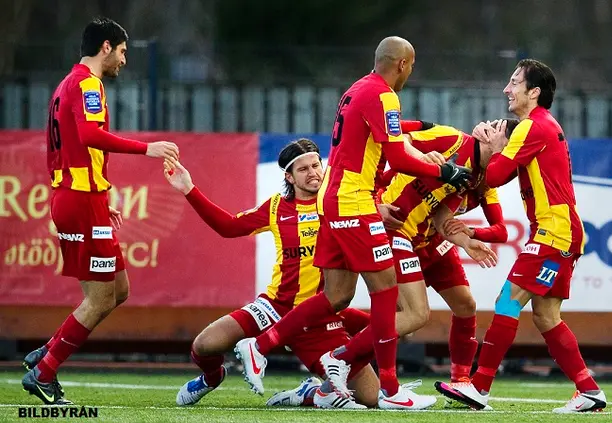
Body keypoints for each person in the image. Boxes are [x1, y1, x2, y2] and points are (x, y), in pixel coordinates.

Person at [234, 36, 472, 410]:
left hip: (333, 199)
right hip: (352, 201)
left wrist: (431, 159)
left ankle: (261, 345)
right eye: (412, 67)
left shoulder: (357, 89)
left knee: (337, 296)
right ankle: (391, 390)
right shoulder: (384, 95)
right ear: (404, 64)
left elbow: (388, 141)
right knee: (385, 291)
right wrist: (443, 169)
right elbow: (398, 155)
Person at [21, 17, 179, 405]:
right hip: (79, 200)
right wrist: (148, 148)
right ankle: (45, 372)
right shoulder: (88, 84)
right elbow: (91, 136)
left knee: (118, 290)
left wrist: (103, 195)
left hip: (83, 197)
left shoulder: (67, 83)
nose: (125, 60)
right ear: (106, 47)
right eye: (123, 51)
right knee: (100, 298)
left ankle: (48, 352)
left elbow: (76, 147)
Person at [434, 59, 607, 413]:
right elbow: (501, 176)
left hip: (554, 231)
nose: (506, 89)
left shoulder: (533, 126)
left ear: (534, 92)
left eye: (514, 82)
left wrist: (495, 147)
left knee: (506, 301)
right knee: (546, 317)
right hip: (560, 230)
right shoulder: (540, 127)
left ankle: (479, 387)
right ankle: (589, 391)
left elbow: (496, 176)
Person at [165, 139, 379, 409]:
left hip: (316, 317)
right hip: (274, 307)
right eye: (303, 169)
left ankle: (308, 393)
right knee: (204, 345)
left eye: (316, 165)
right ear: (289, 177)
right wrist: (188, 189)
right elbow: (228, 227)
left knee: (369, 397)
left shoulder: (339, 202)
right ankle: (211, 377)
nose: (313, 172)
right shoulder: (277, 207)